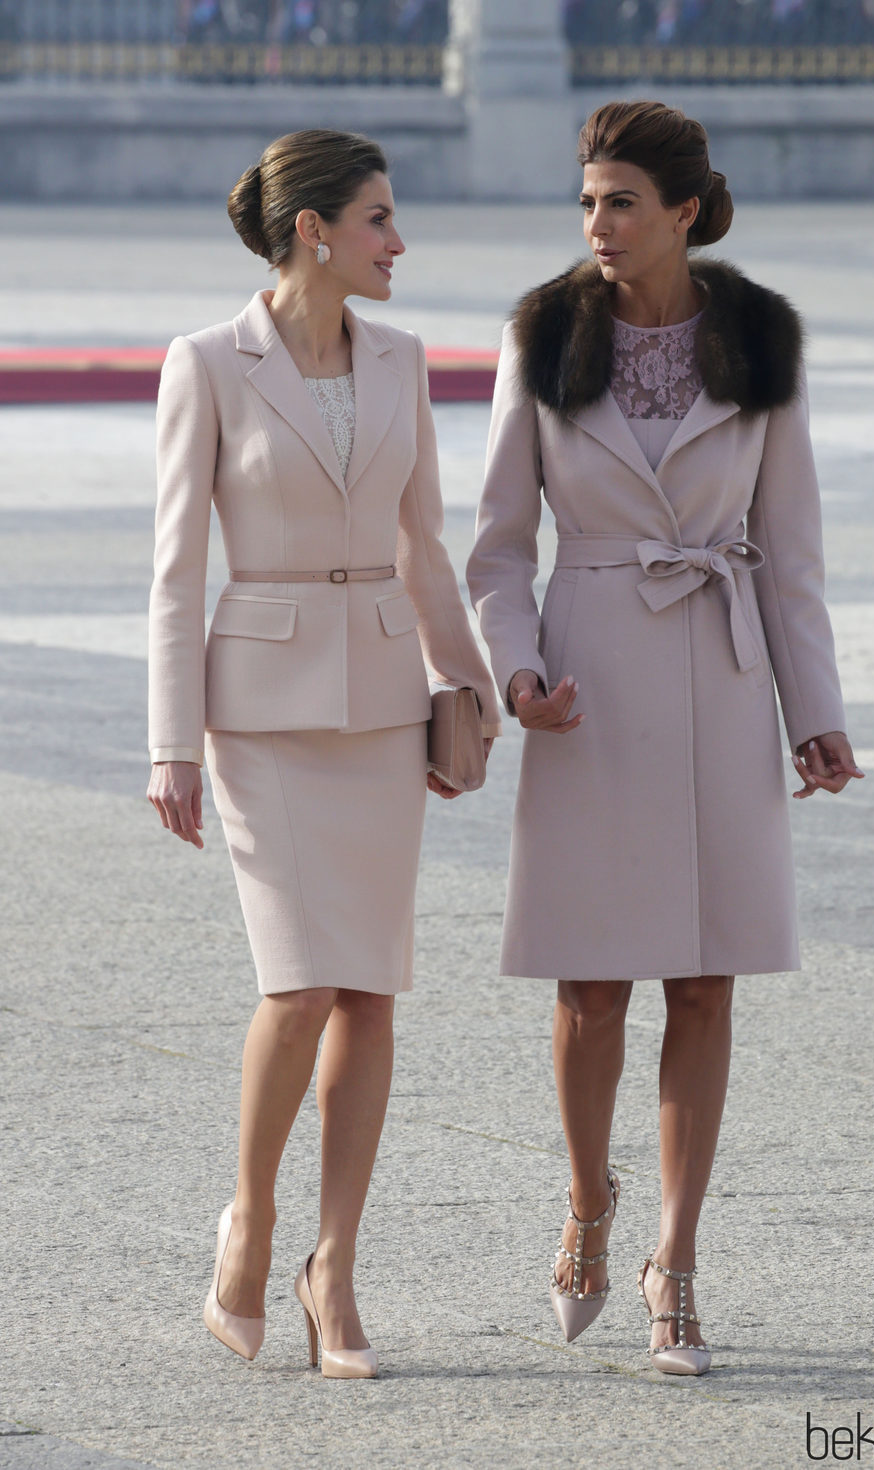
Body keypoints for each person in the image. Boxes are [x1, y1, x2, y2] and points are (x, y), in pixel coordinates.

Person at [467, 100, 862, 1375]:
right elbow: (493, 549)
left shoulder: (757, 338)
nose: (595, 224)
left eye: (619, 201)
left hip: (719, 675)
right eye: (584, 201)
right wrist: (518, 672)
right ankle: (589, 1206)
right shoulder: (540, 334)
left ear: (684, 210)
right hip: (584, 686)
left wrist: (818, 718)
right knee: (591, 991)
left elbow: (792, 552)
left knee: (703, 982)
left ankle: (673, 1268)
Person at [147, 128, 499, 1379]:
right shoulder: (205, 363)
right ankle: (250, 1224)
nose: (398, 244)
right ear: (314, 231)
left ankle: (333, 1272)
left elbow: (425, 545)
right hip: (259, 713)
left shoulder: (402, 360)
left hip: (383, 705)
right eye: (379, 220)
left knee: (369, 990)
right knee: (298, 987)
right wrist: (166, 744)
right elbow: (174, 571)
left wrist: (476, 679)